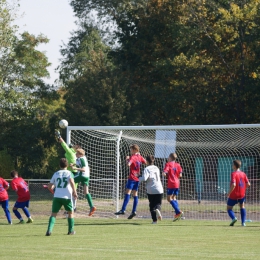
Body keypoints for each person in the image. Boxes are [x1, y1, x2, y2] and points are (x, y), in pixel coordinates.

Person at [46, 158, 78, 236]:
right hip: (67, 196)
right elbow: (71, 182)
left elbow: (50, 186)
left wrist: (51, 187)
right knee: (70, 213)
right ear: (67, 165)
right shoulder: (69, 173)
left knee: (53, 214)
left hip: (57, 196)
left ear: (59, 165)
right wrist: (74, 191)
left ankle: (49, 230)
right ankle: (70, 231)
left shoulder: (56, 173)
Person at [114, 144, 146, 219]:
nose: (130, 151)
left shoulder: (133, 157)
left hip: (132, 178)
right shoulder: (139, 157)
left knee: (127, 193)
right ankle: (134, 211)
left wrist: (127, 159)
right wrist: (139, 156)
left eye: (131, 149)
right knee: (135, 194)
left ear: (135, 150)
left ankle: (123, 209)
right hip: (137, 178)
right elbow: (145, 162)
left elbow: (128, 164)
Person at [55, 130, 80, 211]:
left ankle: (71, 208)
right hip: (74, 173)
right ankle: (73, 207)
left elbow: (64, 145)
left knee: (70, 190)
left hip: (71, 173)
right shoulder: (74, 154)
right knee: (73, 190)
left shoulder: (70, 152)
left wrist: (59, 137)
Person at [71, 148, 96, 216]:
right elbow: (80, 164)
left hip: (82, 175)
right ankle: (91, 206)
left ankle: (56, 189)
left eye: (77, 153)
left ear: (80, 154)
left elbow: (83, 169)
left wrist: (75, 168)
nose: (75, 154)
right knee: (86, 192)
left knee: (70, 181)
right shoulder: (83, 158)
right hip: (86, 177)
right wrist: (73, 164)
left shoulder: (81, 159)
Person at [139, 155, 163, 224]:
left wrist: (138, 178)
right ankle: (158, 209)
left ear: (146, 161)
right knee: (158, 203)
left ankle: (154, 221)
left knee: (152, 205)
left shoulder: (147, 169)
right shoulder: (156, 168)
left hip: (151, 189)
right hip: (159, 188)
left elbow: (144, 178)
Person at [226, 160, 250, 227]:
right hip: (241, 195)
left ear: (234, 166)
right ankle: (243, 223)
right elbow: (248, 184)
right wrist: (243, 189)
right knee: (242, 206)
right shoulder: (243, 174)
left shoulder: (233, 174)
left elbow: (233, 184)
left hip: (234, 195)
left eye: (232, 164)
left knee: (229, 208)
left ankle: (234, 218)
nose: (232, 165)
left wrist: (228, 193)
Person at [162, 153, 183, 221]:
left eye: (168, 157)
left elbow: (164, 172)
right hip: (177, 183)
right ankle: (177, 214)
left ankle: (178, 211)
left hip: (171, 183)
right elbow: (180, 175)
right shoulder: (178, 165)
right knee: (174, 197)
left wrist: (165, 174)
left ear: (170, 158)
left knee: (169, 199)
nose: (168, 159)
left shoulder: (168, 164)